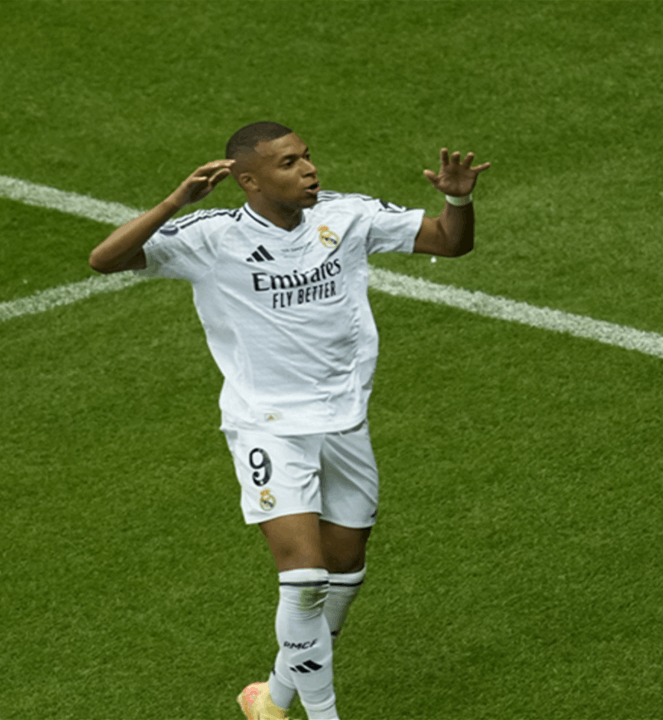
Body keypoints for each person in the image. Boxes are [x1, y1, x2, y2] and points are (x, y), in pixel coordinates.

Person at [88, 122, 489, 719]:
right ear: (249, 181)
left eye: (306, 156)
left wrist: (459, 200)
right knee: (304, 581)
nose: (308, 169)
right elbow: (105, 260)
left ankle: (273, 699)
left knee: (344, 570)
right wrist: (176, 202)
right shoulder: (212, 237)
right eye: (288, 163)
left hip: (344, 420)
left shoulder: (347, 216)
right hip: (267, 424)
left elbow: (449, 243)